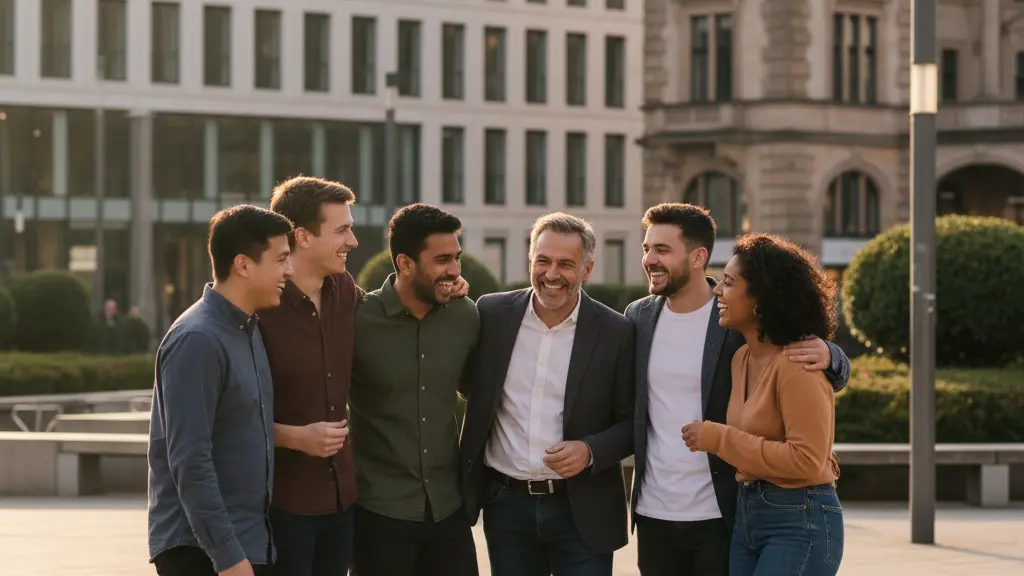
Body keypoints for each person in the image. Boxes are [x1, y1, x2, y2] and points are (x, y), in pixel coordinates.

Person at [259, 178, 471, 576]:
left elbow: (397, 315)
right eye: (342, 230)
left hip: (347, 506)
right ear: (302, 237)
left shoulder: (345, 292)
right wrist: (292, 436)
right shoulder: (263, 304)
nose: (353, 241)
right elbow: (226, 416)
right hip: (283, 505)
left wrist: (444, 282)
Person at [624, 203, 850, 576]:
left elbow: (792, 348)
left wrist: (832, 355)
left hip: (724, 511)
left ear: (698, 257)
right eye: (646, 248)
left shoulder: (733, 322)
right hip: (657, 513)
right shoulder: (638, 317)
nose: (649, 259)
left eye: (662, 250)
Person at [461, 213, 636, 576]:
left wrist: (591, 451)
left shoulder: (617, 332)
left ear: (586, 271)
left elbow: (633, 421)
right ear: (531, 261)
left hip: (583, 510)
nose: (551, 273)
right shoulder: (491, 314)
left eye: (565, 264)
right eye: (543, 260)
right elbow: (469, 383)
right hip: (506, 507)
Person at [682, 233, 845, 576]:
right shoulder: (741, 357)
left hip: (800, 517)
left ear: (760, 299)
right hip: (748, 513)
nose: (717, 291)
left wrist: (718, 438)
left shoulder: (798, 365)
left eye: (728, 282)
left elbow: (806, 459)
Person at [148, 205, 294, 576]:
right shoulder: (197, 339)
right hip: (203, 554)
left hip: (248, 544)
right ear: (243, 264)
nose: (288, 271)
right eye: (280, 260)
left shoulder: (249, 330)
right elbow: (190, 459)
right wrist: (227, 556)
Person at [349, 203, 480, 576]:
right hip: (379, 514)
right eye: (441, 260)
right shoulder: (358, 320)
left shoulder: (465, 316)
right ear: (405, 263)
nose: (454, 269)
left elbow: (479, 392)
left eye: (456, 257)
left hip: (448, 510)